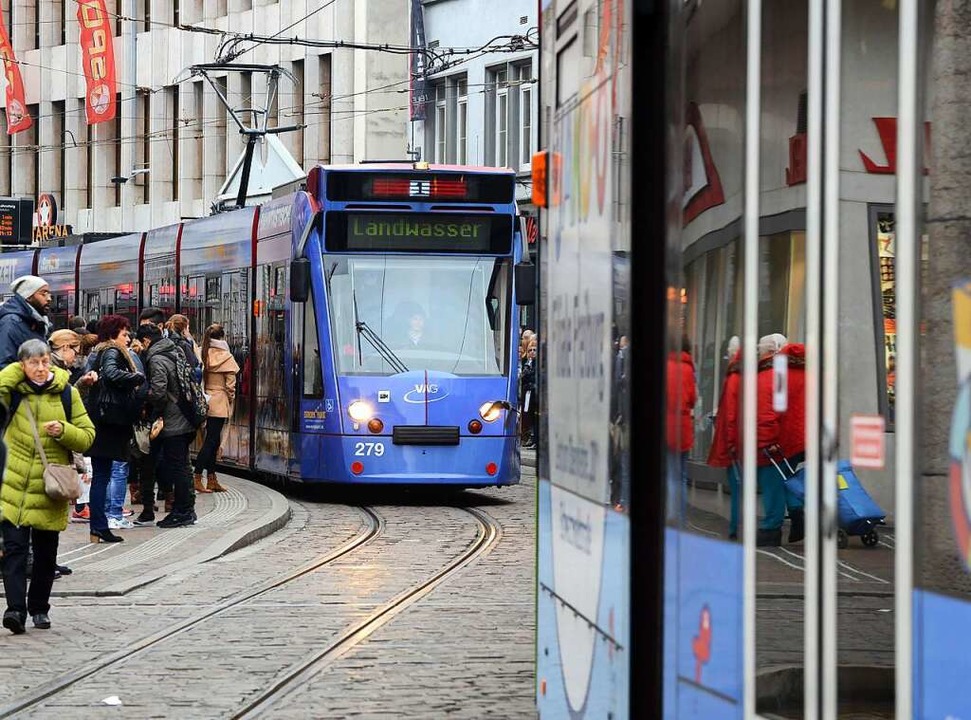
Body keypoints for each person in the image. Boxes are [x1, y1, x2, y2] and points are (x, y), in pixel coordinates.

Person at [0, 339, 95, 634]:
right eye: (33, 363)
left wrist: (64, 431)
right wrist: (12, 374)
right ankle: (16, 609)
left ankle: (39, 607)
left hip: (50, 486)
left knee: (45, 553)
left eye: (44, 362)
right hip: (13, 483)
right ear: (22, 365)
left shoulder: (67, 393)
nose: (40, 368)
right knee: (14, 549)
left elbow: (88, 435)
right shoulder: (13, 392)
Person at [85, 316, 145, 543]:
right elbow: (111, 374)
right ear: (112, 335)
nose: (128, 338)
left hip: (102, 420)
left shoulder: (96, 352)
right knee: (103, 475)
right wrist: (136, 377)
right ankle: (99, 526)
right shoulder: (111, 351)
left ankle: (98, 527)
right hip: (110, 422)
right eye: (125, 334)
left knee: (102, 474)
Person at [135, 324, 197, 528]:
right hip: (185, 416)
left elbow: (159, 392)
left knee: (177, 467)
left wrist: (142, 395)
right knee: (183, 467)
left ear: (145, 341)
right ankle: (186, 509)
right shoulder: (174, 349)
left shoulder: (156, 358)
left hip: (173, 420)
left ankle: (182, 511)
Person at [49, 330, 98, 527]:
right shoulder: (52, 372)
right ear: (65, 348)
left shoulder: (58, 372)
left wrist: (80, 384)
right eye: (75, 352)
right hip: (52, 451)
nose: (76, 358)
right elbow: (60, 413)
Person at [193, 324, 239, 494]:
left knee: (211, 441)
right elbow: (230, 385)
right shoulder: (226, 357)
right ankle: (198, 476)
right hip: (219, 402)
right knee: (212, 441)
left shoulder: (202, 352)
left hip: (206, 399)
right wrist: (231, 398)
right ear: (222, 337)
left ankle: (211, 478)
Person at [708, 336, 741, 539]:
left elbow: (730, 415)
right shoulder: (743, 375)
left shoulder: (733, 378)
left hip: (735, 441)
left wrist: (729, 443)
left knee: (737, 485)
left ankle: (734, 526)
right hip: (741, 439)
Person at [666, 337, 698, 522]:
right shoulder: (689, 368)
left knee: (671, 473)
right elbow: (693, 398)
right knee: (682, 475)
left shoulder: (666, 366)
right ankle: (681, 516)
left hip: (668, 425)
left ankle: (671, 515)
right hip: (684, 425)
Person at [777, 341, 807, 543]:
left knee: (785, 479)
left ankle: (797, 516)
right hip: (812, 436)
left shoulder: (780, 378)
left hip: (788, 436)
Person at [0, 276, 52, 366]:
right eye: (43, 294)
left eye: (49, 294)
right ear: (28, 296)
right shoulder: (11, 322)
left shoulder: (35, 322)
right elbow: (4, 363)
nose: (49, 298)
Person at [520, 338, 538, 448]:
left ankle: (535, 438)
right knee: (529, 415)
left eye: (534, 350)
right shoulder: (526, 363)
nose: (532, 352)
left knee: (536, 416)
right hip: (528, 393)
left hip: (535, 393)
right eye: (530, 350)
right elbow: (523, 376)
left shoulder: (537, 363)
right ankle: (531, 436)